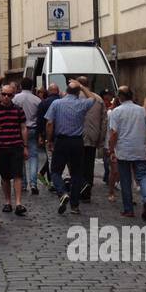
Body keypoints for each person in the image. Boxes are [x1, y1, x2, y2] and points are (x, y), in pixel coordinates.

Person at [44, 80, 99, 213]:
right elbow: (93, 98)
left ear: (66, 91)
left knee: (56, 171)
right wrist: (82, 86)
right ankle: (74, 205)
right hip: (77, 142)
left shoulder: (57, 103)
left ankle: (62, 192)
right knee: (76, 173)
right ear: (78, 93)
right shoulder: (82, 103)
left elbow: (49, 123)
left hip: (61, 141)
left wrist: (49, 140)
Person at [108, 86, 146, 220]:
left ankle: (128, 209)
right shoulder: (142, 111)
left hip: (123, 149)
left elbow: (114, 133)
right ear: (132, 96)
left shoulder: (116, 112)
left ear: (119, 97)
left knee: (125, 179)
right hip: (140, 148)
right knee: (143, 175)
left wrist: (111, 149)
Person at [0, 80, 28, 217]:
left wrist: (25, 146)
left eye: (9, 95)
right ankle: (7, 202)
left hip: (16, 146)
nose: (6, 97)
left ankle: (18, 203)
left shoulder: (18, 110)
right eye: (4, 94)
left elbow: (23, 128)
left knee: (18, 175)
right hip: (1, 147)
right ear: (1, 95)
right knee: (5, 177)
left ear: (13, 96)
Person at [78, 77, 106, 203]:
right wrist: (101, 138)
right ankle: (87, 189)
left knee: (77, 164)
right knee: (89, 164)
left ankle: (81, 187)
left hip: (77, 136)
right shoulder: (98, 99)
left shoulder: (74, 98)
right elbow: (104, 121)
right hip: (93, 136)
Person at [12, 80, 43, 196]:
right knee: (33, 156)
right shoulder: (37, 100)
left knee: (20, 157)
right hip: (33, 129)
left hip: (19, 129)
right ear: (32, 87)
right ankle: (33, 183)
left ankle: (23, 184)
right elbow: (40, 118)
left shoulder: (15, 99)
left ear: (20, 86)